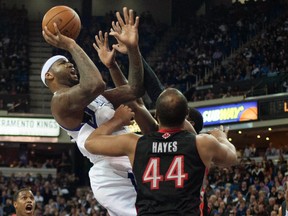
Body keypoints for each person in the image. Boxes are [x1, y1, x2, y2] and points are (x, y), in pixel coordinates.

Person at [41, 7, 144, 216]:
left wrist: (133, 49)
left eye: (70, 62)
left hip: (129, 157)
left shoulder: (96, 97)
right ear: (50, 76)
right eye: (64, 63)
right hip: (110, 168)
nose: (71, 66)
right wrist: (70, 44)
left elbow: (135, 89)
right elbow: (95, 83)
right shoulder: (59, 103)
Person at [85, 88, 238, 215]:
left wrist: (116, 120)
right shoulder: (203, 143)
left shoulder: (134, 143)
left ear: (156, 115)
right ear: (186, 115)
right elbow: (232, 158)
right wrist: (222, 137)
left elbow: (90, 143)